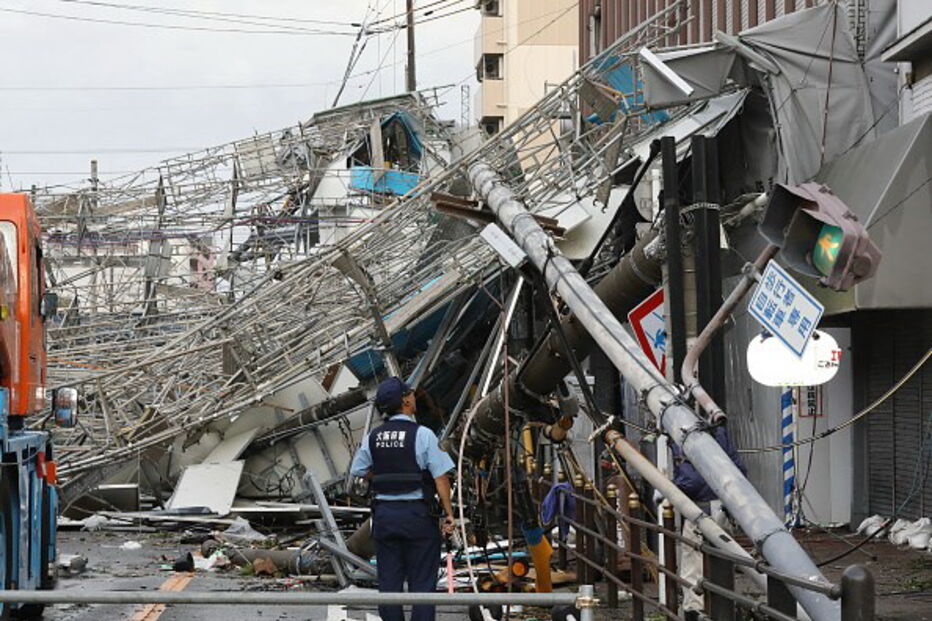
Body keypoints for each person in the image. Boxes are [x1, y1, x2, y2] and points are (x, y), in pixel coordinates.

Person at [350, 377, 456, 621]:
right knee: (423, 584)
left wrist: (383, 474)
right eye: (410, 394)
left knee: (389, 584)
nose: (413, 397)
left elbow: (358, 469)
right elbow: (440, 478)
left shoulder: (373, 437)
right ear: (405, 401)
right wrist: (449, 514)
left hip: (385, 517)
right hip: (418, 516)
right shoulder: (423, 435)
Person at [671, 423, 746, 621]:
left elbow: (691, 482)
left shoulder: (683, 436)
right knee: (723, 560)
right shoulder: (719, 433)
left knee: (694, 562)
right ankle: (723, 607)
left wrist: (671, 487)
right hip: (724, 506)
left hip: (699, 509)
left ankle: (696, 610)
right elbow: (740, 470)